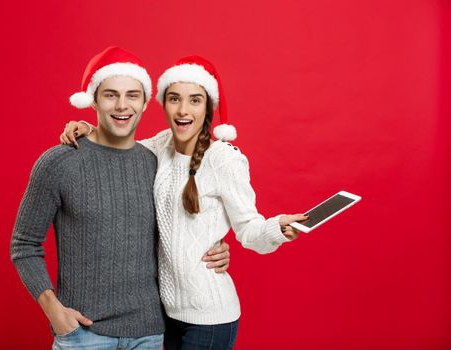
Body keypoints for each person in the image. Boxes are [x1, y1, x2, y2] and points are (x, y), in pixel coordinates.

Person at [61, 55, 308, 350]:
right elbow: (117, 144)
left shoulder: (223, 158)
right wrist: (88, 128)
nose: (183, 109)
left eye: (194, 100)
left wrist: (277, 229)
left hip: (210, 317)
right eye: (174, 99)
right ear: (163, 104)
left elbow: (250, 230)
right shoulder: (158, 146)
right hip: (166, 315)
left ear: (207, 108)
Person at [10, 47, 230, 350]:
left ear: (143, 104)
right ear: (94, 100)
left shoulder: (156, 162)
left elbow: (179, 228)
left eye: (132, 95)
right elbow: (24, 243)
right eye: (111, 95)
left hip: (150, 333)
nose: (122, 105)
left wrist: (214, 245)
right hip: (82, 334)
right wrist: (53, 309)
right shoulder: (59, 163)